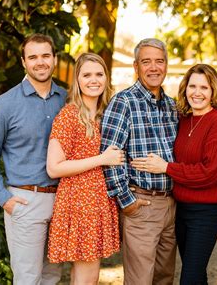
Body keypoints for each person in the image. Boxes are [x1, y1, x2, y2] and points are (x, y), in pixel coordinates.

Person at [131, 64, 217, 284]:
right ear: (185, 89)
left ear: (213, 91)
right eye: (193, 86)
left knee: (189, 278)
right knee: (195, 274)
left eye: (204, 88)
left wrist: (166, 168)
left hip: (207, 211)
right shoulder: (184, 119)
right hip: (181, 208)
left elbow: (210, 172)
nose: (197, 93)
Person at [0, 33, 65, 284]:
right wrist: (3, 198)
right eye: (33, 57)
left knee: (52, 276)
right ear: (23, 62)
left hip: (62, 200)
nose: (40, 62)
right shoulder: (5, 104)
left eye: (46, 55)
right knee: (27, 277)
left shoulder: (66, 99)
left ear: (54, 59)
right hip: (26, 201)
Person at [100, 38, 178, 285]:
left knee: (164, 277)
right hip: (142, 204)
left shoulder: (171, 105)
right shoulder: (123, 102)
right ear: (136, 66)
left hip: (172, 205)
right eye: (147, 62)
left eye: (159, 61)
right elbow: (110, 155)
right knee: (140, 280)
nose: (154, 67)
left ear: (166, 65)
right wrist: (126, 201)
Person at [45, 53, 124, 284]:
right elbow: (54, 168)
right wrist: (101, 159)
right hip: (79, 202)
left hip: (100, 202)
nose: (94, 80)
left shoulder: (106, 115)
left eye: (99, 74)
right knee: (87, 276)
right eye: (87, 74)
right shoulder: (69, 116)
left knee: (87, 275)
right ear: (77, 80)